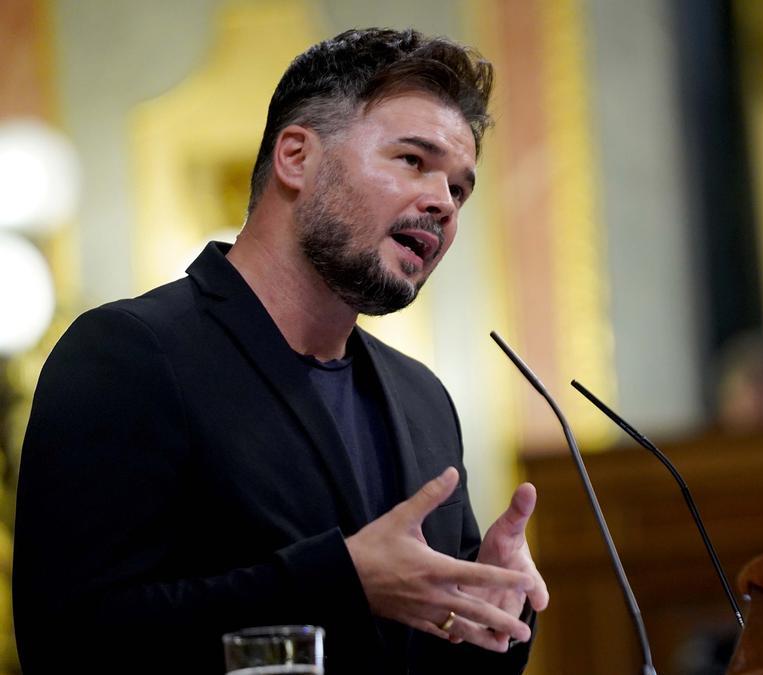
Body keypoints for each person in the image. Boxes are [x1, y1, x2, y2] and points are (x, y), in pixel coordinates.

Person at [12, 27, 548, 675]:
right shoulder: (130, 354)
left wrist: (492, 610)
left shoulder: (421, 398)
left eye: (460, 189)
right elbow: (70, 640)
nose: (442, 202)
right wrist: (338, 582)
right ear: (296, 157)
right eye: (412, 160)